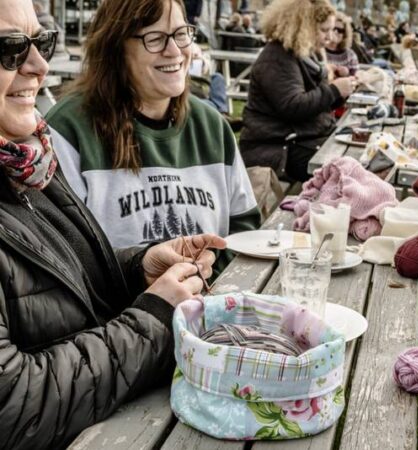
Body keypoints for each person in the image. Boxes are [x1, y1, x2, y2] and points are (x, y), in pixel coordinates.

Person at [0, 0, 226, 447]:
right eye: (9, 47)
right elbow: (13, 405)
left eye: (40, 41)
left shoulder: (26, 159)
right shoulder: (58, 135)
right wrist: (156, 316)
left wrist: (138, 269)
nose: (40, 65)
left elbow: (55, 289)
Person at [46, 0, 260, 273]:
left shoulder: (212, 127)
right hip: (115, 315)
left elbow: (245, 231)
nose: (174, 51)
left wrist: (210, 272)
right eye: (155, 38)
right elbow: (60, 256)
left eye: (181, 34)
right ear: (117, 48)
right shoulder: (68, 129)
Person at [239, 0, 356, 182]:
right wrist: (334, 90)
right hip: (275, 150)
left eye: (332, 30)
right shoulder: (277, 57)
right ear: (305, 26)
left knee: (355, 163)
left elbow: (314, 104)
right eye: (324, 30)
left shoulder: (302, 54)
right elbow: (293, 106)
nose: (330, 37)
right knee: (347, 175)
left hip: (297, 141)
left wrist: (340, 92)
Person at [325, 12, 359, 77]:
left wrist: (347, 74)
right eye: (333, 29)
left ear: (344, 34)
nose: (336, 32)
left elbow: (356, 79)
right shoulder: (319, 51)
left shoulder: (350, 54)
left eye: (340, 30)